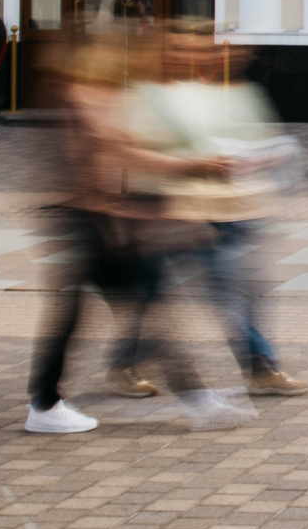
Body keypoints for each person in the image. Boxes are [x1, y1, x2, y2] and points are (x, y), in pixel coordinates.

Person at [25, 40, 256, 434]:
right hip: (92, 226)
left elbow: (121, 160)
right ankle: (194, 400)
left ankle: (46, 402)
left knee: (120, 307)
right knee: (139, 306)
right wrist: (195, 168)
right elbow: (121, 156)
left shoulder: (94, 98)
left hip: (98, 224)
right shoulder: (87, 100)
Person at [130, 29, 308, 396]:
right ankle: (259, 366)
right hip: (172, 210)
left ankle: (125, 361)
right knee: (188, 292)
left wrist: (255, 156)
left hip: (221, 207)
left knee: (230, 289)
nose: (183, 55)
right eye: (175, 47)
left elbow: (241, 139)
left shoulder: (209, 93)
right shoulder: (143, 96)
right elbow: (136, 156)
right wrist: (199, 165)